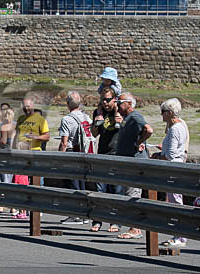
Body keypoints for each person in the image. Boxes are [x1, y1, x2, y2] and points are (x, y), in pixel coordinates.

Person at [115, 92, 154, 240]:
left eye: (120, 103)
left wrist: (139, 142)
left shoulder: (135, 116)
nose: (117, 106)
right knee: (129, 193)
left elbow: (148, 130)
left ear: (128, 104)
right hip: (128, 162)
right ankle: (133, 226)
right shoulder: (127, 118)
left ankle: (135, 228)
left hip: (135, 163)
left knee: (133, 194)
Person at [152, 98, 190, 247]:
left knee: (175, 202)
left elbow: (171, 155)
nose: (161, 115)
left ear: (169, 113)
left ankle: (180, 236)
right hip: (176, 167)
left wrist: (158, 156)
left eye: (163, 112)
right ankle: (178, 235)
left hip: (173, 169)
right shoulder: (180, 125)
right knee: (174, 200)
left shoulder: (175, 129)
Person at [90, 87, 122, 232]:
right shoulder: (98, 112)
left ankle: (115, 222)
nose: (105, 102)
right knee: (99, 190)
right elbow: (94, 133)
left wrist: (120, 120)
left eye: (108, 99)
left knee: (115, 190)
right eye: (103, 99)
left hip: (116, 155)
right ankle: (97, 220)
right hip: (102, 154)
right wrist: (97, 121)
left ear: (115, 99)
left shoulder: (120, 111)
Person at [57, 91, 90, 225]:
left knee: (71, 184)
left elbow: (64, 142)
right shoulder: (86, 117)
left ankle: (75, 214)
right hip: (84, 153)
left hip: (71, 153)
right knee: (82, 184)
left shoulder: (67, 119)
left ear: (67, 103)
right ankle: (84, 213)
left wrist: (60, 157)